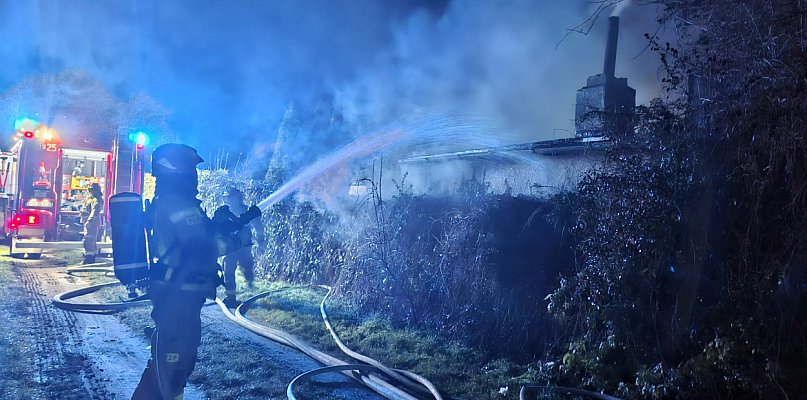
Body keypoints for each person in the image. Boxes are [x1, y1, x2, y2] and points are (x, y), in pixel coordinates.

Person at [132, 144, 260, 400]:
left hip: (180, 295)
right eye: (191, 169)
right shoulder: (179, 205)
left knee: (172, 367)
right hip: (178, 296)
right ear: (176, 170)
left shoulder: (176, 203)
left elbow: (197, 238)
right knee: (172, 368)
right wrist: (238, 241)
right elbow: (200, 250)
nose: (195, 175)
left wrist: (222, 225)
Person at [222, 188, 265, 308]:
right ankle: (231, 298)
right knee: (228, 272)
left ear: (238, 199)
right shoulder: (226, 212)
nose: (229, 200)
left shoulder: (248, 212)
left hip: (244, 248)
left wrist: (261, 244)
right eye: (228, 198)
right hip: (230, 249)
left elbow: (259, 228)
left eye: (231, 197)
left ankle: (251, 289)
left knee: (247, 269)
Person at [81, 183, 104, 264]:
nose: (90, 191)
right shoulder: (91, 198)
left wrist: (89, 221)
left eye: (92, 189)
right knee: (89, 240)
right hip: (89, 222)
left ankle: (89, 259)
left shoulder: (96, 199)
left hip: (92, 222)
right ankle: (89, 257)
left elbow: (95, 211)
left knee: (89, 240)